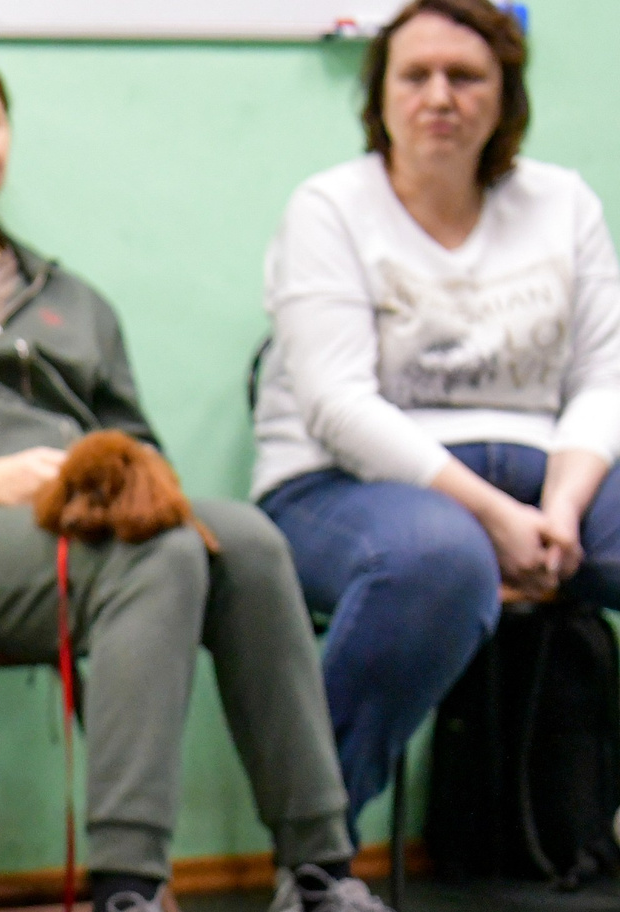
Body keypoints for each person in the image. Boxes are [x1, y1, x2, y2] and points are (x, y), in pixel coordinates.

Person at [0, 43, 447, 912]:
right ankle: (122, 910)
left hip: (86, 532)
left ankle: (319, 881)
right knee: (162, 553)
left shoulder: (73, 298)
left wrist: (119, 484)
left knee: (246, 542)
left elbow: (142, 446)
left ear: (7, 135)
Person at [254, 0, 620, 829]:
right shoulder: (329, 208)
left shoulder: (564, 203)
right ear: (380, 96)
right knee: (437, 561)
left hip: (544, 474)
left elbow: (603, 379)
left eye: (466, 76)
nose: (440, 97)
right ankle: (316, 850)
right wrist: (494, 518)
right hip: (341, 483)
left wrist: (562, 511)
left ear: (506, 95)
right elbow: (339, 405)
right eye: (415, 76)